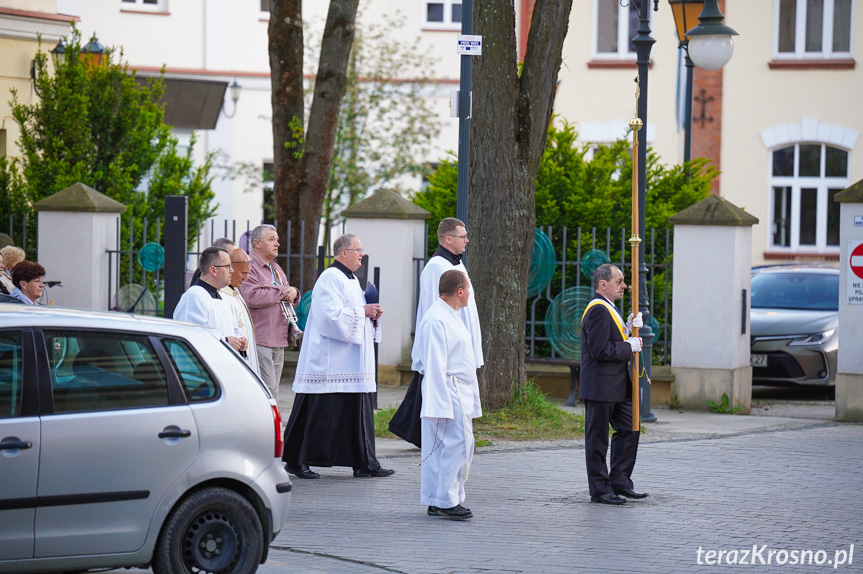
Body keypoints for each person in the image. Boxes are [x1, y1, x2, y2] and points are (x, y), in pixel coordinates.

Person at [281, 233, 394, 480]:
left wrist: (370, 314)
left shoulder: (351, 279)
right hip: (329, 361)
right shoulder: (330, 278)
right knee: (315, 411)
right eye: (358, 249)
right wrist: (362, 311)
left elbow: (353, 312)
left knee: (355, 411)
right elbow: (329, 316)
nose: (362, 254)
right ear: (344, 253)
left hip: (350, 359)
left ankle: (364, 462)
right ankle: (296, 461)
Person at [389, 217, 483, 447]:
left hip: (459, 337)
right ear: (448, 239)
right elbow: (438, 304)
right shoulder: (436, 267)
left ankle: (424, 431)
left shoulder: (456, 264)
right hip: (444, 339)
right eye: (463, 236)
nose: (467, 241)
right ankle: (420, 432)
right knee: (428, 388)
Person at [413, 270, 482, 521]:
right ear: (460, 291)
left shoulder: (450, 316)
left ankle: (436, 497)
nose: (470, 294)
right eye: (469, 289)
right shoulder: (436, 320)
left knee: (445, 446)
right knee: (457, 444)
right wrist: (439, 402)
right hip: (448, 390)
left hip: (457, 388)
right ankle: (446, 499)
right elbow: (434, 364)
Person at [580, 263, 646, 505]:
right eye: (619, 282)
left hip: (618, 385)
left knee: (630, 429)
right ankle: (599, 489)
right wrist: (630, 346)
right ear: (603, 284)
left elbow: (613, 338)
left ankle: (620, 481)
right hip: (600, 386)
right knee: (597, 440)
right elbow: (600, 349)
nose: (625, 286)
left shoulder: (609, 308)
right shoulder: (597, 309)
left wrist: (628, 329)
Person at [239, 224, 300, 400]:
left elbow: (288, 298)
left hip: (279, 338)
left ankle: (273, 425)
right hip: (261, 338)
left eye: (277, 240)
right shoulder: (249, 266)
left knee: (273, 391)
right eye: (271, 240)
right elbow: (252, 296)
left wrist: (294, 292)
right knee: (266, 390)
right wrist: (283, 291)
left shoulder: (276, 268)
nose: (277, 244)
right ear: (257, 243)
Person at [173, 246, 248, 354]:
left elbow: (235, 331)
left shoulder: (224, 299)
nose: (232, 271)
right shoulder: (193, 297)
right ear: (213, 270)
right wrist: (226, 341)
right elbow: (190, 337)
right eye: (228, 266)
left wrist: (240, 341)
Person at [220, 247, 260, 375]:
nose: (247, 278)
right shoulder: (221, 296)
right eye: (243, 273)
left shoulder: (235, 292)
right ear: (230, 269)